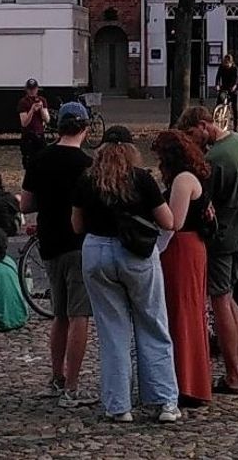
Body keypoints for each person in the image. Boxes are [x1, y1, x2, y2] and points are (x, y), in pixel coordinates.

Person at [73, 125, 181, 423]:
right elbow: (168, 221)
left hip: (96, 251)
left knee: (112, 331)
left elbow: (77, 225)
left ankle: (118, 404)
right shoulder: (142, 179)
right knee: (153, 324)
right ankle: (165, 401)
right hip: (136, 253)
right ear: (132, 150)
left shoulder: (87, 180)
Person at [176, 106, 238, 394]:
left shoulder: (214, 160)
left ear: (204, 125)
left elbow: (202, 204)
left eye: (192, 134)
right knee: (231, 301)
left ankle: (232, 375)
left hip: (222, 239)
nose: (192, 141)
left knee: (220, 303)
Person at [20, 102, 97, 407]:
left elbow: (26, 205)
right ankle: (73, 387)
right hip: (79, 244)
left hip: (48, 242)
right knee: (80, 316)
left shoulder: (40, 159)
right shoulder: (88, 164)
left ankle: (56, 376)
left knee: (59, 315)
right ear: (85, 129)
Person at [151, 129, 215, 406]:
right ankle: (189, 379)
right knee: (187, 311)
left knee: (181, 313)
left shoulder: (182, 180)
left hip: (181, 248)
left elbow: (174, 222)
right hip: (191, 247)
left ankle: (186, 381)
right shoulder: (194, 177)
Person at [19, 79, 50, 171]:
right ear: (26, 90)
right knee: (29, 162)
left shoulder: (42, 100)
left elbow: (47, 119)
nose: (32, 91)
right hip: (28, 135)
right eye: (30, 89)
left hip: (39, 134)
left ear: (37, 89)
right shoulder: (23, 102)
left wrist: (41, 109)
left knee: (42, 160)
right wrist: (32, 110)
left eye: (34, 89)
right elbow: (24, 123)